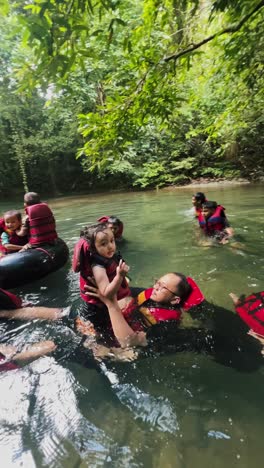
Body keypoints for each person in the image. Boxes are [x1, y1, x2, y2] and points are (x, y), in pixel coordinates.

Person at [85, 272, 205, 348]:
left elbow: (129, 342)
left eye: (163, 287)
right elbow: (124, 298)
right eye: (157, 283)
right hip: (116, 326)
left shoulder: (167, 324)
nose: (155, 288)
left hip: (126, 346)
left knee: (122, 354)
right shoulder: (149, 295)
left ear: (174, 300)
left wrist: (110, 303)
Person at [72, 222, 131, 331]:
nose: (110, 246)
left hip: (104, 305)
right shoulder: (98, 266)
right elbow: (106, 293)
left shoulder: (108, 257)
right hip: (96, 309)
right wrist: (119, 276)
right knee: (99, 333)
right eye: (103, 244)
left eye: (112, 241)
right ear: (93, 249)